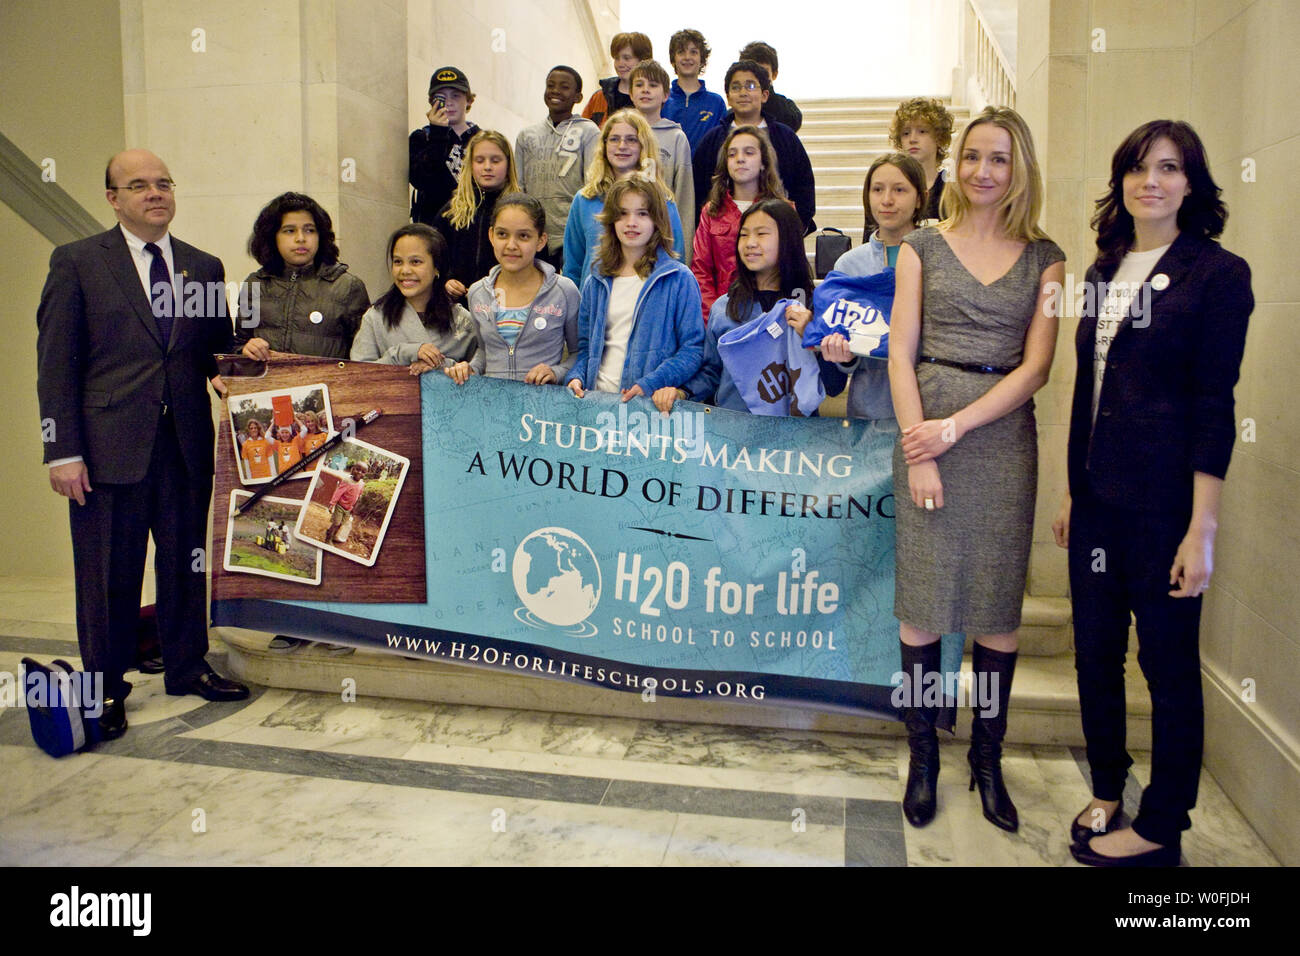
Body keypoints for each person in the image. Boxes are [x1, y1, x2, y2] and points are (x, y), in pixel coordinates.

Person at [1054, 121, 1252, 868]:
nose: (1152, 181)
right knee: (1095, 653)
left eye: (1169, 168)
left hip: (1167, 508)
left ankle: (1162, 824)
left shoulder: (1217, 274)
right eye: (1138, 168)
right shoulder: (1104, 271)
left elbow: (1214, 403)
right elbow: (1090, 391)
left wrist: (1202, 526)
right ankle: (1109, 784)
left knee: (1166, 666)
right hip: (1100, 499)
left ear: (1191, 183)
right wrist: (1076, 490)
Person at [887, 107, 1065, 832]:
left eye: (998, 159)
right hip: (924, 432)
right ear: (955, 165)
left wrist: (954, 428)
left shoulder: (1048, 258)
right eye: (971, 157)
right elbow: (900, 354)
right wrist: (919, 446)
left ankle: (986, 759)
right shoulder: (920, 247)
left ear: (1018, 168)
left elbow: (1040, 366)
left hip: (997, 444)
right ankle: (924, 754)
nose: (982, 171)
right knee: (923, 610)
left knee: (996, 615)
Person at [36, 148, 249, 740]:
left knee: (185, 564)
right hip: (106, 452)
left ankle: (186, 665)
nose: (155, 193)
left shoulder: (203, 268)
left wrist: (246, 363)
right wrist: (62, 451)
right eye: (138, 185)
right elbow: (56, 366)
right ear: (113, 198)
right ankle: (103, 688)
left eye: (163, 183)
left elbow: (213, 352)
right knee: (109, 574)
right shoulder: (78, 262)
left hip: (183, 445)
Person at [676, 200, 833, 415]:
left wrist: (814, 338)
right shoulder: (724, 307)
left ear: (787, 239)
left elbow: (834, 384)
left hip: (797, 438)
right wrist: (682, 392)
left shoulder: (814, 305)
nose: (750, 243)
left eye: (761, 234)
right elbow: (712, 372)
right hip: (734, 434)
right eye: (744, 234)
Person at [564, 177, 704, 410]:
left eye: (642, 213)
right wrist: (576, 376)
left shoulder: (680, 279)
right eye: (622, 213)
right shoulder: (594, 281)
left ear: (657, 220)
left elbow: (693, 350)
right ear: (610, 220)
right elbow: (586, 348)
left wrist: (651, 383)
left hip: (645, 407)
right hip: (595, 404)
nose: (631, 222)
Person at [822, 152, 928, 420]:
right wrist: (841, 355)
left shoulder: (937, 260)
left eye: (899, 190)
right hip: (869, 411)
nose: (887, 200)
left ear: (919, 198)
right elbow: (844, 355)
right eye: (878, 189)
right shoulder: (848, 265)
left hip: (927, 407)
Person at [234, 192, 370, 361]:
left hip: (329, 385)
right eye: (289, 231)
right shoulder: (255, 284)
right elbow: (239, 343)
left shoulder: (347, 286)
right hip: (269, 386)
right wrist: (245, 349)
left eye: (310, 230)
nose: (301, 238)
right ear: (272, 237)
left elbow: (366, 355)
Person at [562, 109, 686, 289]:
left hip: (648, 304)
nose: (622, 146)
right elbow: (573, 268)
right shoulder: (584, 200)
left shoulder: (663, 202)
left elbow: (676, 260)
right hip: (595, 308)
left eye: (631, 139)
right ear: (604, 146)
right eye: (614, 139)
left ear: (644, 146)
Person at [465, 194, 580, 383]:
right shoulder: (477, 293)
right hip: (491, 406)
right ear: (491, 236)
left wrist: (556, 372)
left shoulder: (564, 291)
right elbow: (484, 352)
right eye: (502, 234)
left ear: (541, 241)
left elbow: (579, 353)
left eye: (523, 236)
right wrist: (470, 368)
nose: (511, 245)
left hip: (541, 408)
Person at [691, 60, 815, 231]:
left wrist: (792, 229)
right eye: (736, 87)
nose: (743, 92)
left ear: (764, 95)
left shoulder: (786, 138)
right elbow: (698, 190)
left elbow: (804, 188)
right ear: (727, 97)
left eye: (750, 86)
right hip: (721, 235)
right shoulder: (712, 140)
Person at [352, 224, 478, 382]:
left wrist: (441, 365)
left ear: (437, 267)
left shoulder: (463, 321)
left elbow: (479, 377)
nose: (405, 270)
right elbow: (358, 377)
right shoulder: (376, 317)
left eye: (416, 262)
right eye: (398, 262)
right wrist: (402, 354)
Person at [691, 125, 788, 322]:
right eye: (732, 154)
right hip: (724, 314)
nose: (740, 159)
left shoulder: (783, 210)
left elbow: (791, 267)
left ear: (763, 162)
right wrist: (716, 319)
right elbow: (701, 271)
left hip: (772, 316)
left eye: (749, 152)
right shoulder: (711, 211)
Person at [515, 66, 600, 273]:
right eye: (550, 85)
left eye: (564, 87)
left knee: (569, 292)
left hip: (571, 234)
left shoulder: (589, 132)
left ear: (578, 96)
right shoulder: (527, 135)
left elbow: (593, 185)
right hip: (534, 233)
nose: (555, 91)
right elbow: (519, 186)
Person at [436, 130, 520, 300]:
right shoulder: (452, 210)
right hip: (458, 306)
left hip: (507, 305)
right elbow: (433, 257)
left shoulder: (522, 210)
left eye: (495, 160)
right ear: (470, 164)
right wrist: (445, 280)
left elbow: (538, 263)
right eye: (480, 160)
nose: (487, 167)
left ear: (508, 164)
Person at [630, 59, 695, 263]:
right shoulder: (620, 134)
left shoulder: (676, 138)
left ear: (666, 95)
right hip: (625, 230)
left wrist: (683, 250)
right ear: (630, 93)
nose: (645, 90)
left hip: (662, 235)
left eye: (653, 85)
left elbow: (684, 197)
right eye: (639, 85)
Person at [409, 66, 480, 225]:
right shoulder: (421, 137)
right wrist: (438, 134)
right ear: (432, 101)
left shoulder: (481, 140)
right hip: (433, 226)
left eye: (456, 96)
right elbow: (421, 180)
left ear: (468, 100)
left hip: (472, 225)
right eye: (441, 97)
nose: (449, 103)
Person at [881, 98, 955, 234]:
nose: (912, 139)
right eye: (906, 133)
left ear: (939, 137)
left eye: (922, 131)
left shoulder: (952, 190)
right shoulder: (887, 189)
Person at [663, 28, 726, 152]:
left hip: (705, 171)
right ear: (673, 59)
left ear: (702, 59)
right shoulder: (662, 99)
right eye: (681, 52)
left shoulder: (716, 103)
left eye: (693, 52)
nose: (687, 57)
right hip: (667, 170)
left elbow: (722, 145)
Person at [582, 32, 652, 127]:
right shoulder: (599, 97)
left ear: (643, 60)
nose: (620, 64)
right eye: (616, 58)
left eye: (626, 58)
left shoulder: (654, 96)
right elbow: (583, 132)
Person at [738, 41, 801, 132]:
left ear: (774, 74)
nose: (757, 78)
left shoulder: (788, 110)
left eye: (764, 72)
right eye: (751, 72)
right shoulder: (735, 112)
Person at [326, 462, 369, 544]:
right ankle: (328, 538)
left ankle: (334, 535)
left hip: (349, 509)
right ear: (352, 469)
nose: (359, 472)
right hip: (340, 506)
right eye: (357, 469)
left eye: (363, 472)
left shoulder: (362, 484)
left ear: (365, 474)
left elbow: (358, 496)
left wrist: (354, 508)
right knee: (336, 523)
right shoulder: (347, 481)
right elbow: (338, 492)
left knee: (341, 523)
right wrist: (332, 504)